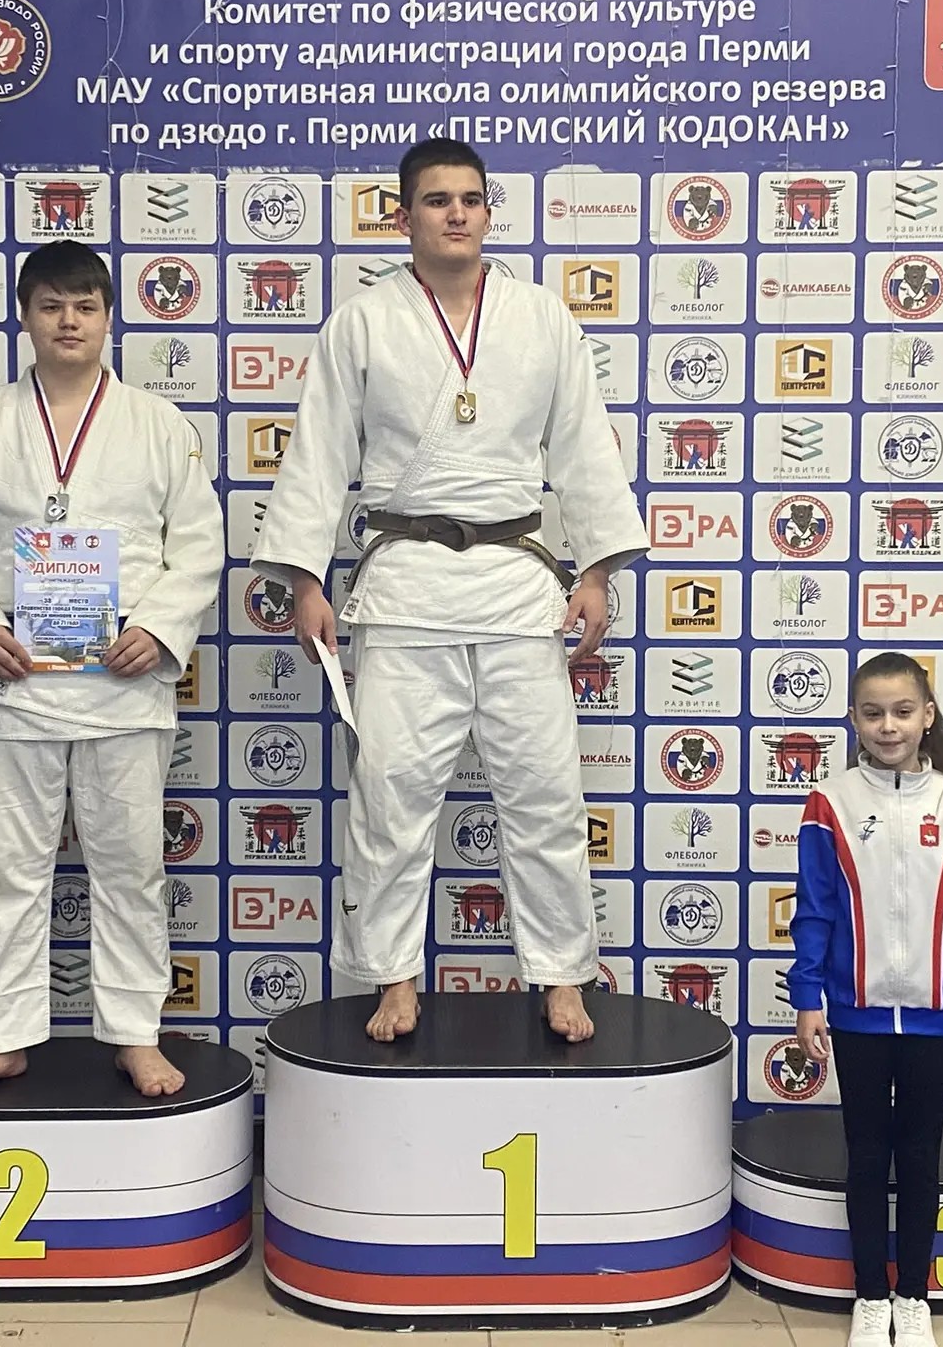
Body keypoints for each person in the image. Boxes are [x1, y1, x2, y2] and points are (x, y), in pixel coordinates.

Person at [251, 137, 648, 1044]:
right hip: (405, 586)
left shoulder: (541, 317)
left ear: (487, 212)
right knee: (391, 796)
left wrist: (594, 570)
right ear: (404, 217)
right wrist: (306, 577)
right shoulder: (362, 322)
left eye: (471, 199)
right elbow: (319, 454)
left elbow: (584, 448)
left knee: (545, 793)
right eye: (437, 201)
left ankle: (561, 973)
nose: (457, 213)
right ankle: (394, 976)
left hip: (516, 586)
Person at [0, 239, 222, 1099]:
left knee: (131, 868)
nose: (68, 321)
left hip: (122, 682)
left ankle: (135, 1031)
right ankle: (3, 1035)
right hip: (13, 680)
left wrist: (158, 628)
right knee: (7, 869)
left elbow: (199, 543)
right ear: (25, 317)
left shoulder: (158, 423)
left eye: (85, 306)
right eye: (51, 306)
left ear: (109, 317)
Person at [788, 652, 943, 1347]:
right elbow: (815, 910)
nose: (889, 726)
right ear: (853, 720)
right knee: (865, 1156)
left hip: (935, 1015)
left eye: (903, 712)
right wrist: (808, 996)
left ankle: (913, 1295)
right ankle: (870, 1297)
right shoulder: (830, 802)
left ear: (927, 716)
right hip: (856, 1013)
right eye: (874, 713)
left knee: (918, 1156)